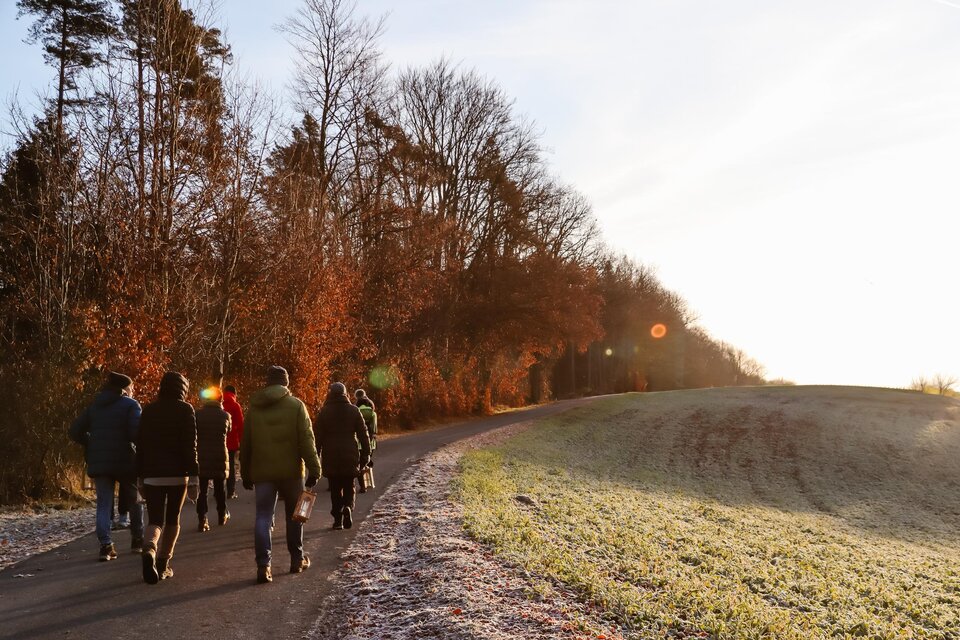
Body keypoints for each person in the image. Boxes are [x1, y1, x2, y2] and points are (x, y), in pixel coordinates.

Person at [240, 366, 321, 584]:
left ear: (268, 383)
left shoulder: (255, 408)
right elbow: (306, 440)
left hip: (262, 472)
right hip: (291, 472)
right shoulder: (296, 406)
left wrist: (245, 472)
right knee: (296, 515)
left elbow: (245, 444)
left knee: (263, 516)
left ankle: (263, 565)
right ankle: (296, 559)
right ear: (286, 384)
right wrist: (315, 469)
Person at [68, 371, 144, 561]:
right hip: (125, 460)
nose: (133, 391)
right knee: (135, 499)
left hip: (100, 461)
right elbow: (137, 433)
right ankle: (137, 539)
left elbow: (74, 431)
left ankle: (106, 545)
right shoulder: (131, 405)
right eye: (132, 388)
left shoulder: (95, 406)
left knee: (103, 503)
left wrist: (91, 441)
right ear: (125, 388)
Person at [136, 371, 199, 584]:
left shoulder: (149, 411)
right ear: (183, 389)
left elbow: (141, 445)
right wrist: (194, 477)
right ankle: (163, 564)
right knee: (173, 518)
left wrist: (140, 476)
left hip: (152, 475)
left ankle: (149, 549)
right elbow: (190, 447)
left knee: (155, 519)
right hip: (177, 476)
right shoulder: (185, 410)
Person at [315, 382, 370, 530]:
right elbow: (363, 434)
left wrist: (316, 455)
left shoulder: (324, 412)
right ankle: (348, 507)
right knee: (349, 484)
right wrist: (366, 454)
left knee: (334, 488)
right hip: (350, 453)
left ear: (330, 394)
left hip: (330, 454)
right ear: (345, 393)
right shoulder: (354, 410)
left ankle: (338, 519)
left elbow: (317, 437)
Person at [196, 386, 231, 531]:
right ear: (220, 399)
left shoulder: (197, 414)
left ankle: (202, 518)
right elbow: (227, 431)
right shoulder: (225, 416)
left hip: (202, 455)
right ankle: (222, 514)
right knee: (219, 489)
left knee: (202, 490)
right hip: (219, 455)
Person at [353, 389, 378, 493]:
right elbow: (375, 428)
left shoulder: (355, 408)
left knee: (359, 463)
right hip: (370, 442)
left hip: (358, 441)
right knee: (366, 460)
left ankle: (362, 486)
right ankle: (368, 481)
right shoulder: (372, 410)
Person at [222, 385, 244, 499]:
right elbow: (240, 425)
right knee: (230, 465)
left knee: (219, 466)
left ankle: (219, 491)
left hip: (219, 440)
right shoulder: (235, 406)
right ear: (234, 394)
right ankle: (231, 491)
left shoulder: (219, 403)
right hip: (231, 441)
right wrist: (242, 442)